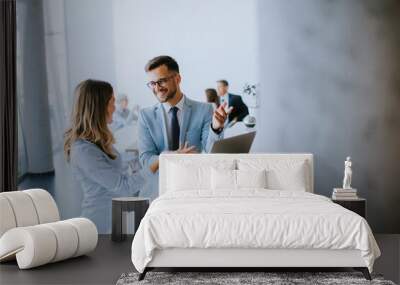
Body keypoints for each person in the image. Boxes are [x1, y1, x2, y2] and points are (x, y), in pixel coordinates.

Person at [138, 56, 231, 199]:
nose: (157, 88)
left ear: (177, 79)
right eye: (152, 83)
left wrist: (216, 128)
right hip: (158, 192)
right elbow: (145, 160)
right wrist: (170, 157)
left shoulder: (204, 110)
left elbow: (210, 152)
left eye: (161, 81)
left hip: (194, 188)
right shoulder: (146, 116)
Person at [64, 79, 144, 233]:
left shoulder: (97, 141)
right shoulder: (83, 150)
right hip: (99, 229)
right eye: (112, 102)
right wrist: (153, 166)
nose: (115, 108)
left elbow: (115, 166)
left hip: (114, 220)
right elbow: (123, 187)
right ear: (99, 107)